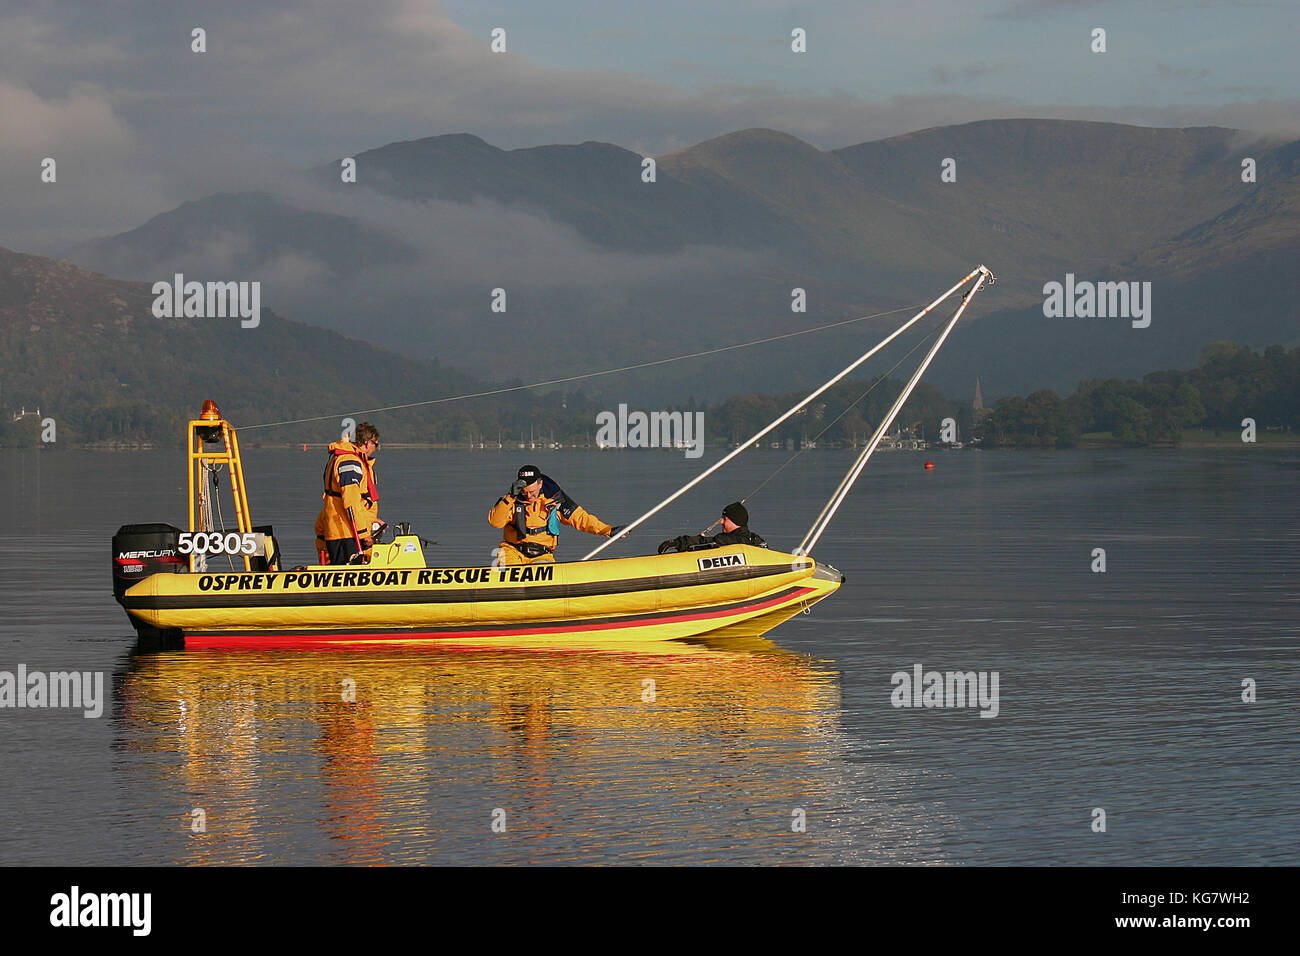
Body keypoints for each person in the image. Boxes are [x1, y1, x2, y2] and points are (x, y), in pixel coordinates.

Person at [488, 464, 624, 565]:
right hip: (512, 552)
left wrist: (608, 530)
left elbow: (581, 518)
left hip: (542, 554)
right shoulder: (510, 500)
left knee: (543, 575)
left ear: (540, 484)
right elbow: (495, 522)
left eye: (532, 492)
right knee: (505, 570)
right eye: (524, 492)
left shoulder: (554, 499)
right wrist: (511, 496)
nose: (529, 496)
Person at [315, 422, 385, 564]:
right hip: (345, 532)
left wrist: (371, 521)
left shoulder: (351, 459)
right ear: (366, 443)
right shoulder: (350, 462)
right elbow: (351, 501)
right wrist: (363, 534)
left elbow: (357, 502)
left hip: (347, 529)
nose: (375, 449)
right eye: (375, 445)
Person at [658, 501, 766, 553]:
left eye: (725, 519)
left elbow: (704, 542)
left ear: (734, 521)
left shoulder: (727, 540)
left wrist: (679, 543)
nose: (721, 522)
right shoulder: (754, 539)